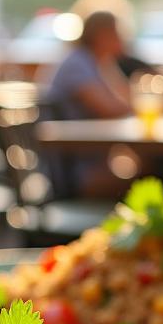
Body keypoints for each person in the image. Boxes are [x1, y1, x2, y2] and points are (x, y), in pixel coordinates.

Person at [45, 10, 132, 197]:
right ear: (102, 35)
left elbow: (125, 101)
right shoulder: (77, 64)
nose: (123, 39)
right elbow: (110, 109)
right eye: (117, 33)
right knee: (150, 174)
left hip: (89, 161)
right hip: (73, 173)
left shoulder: (97, 62)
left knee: (144, 168)